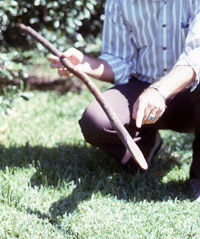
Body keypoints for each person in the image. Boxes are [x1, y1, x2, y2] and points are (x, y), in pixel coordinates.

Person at [48, 0, 200, 201]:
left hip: (192, 91)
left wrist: (159, 90)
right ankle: (146, 146)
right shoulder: (119, 3)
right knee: (96, 121)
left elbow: (196, 57)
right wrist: (86, 63)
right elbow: (119, 60)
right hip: (142, 91)